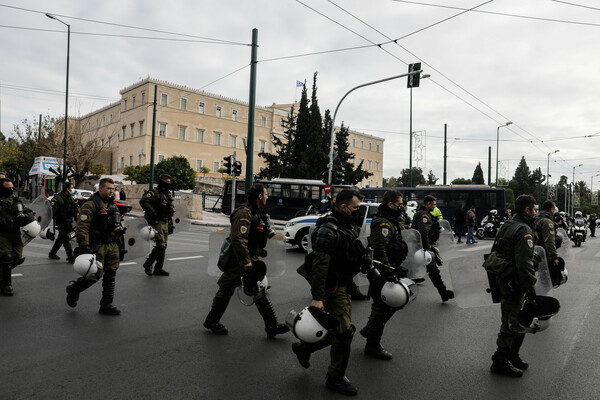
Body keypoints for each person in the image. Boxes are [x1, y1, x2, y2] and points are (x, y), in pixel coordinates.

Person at [292, 189, 366, 396]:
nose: (358, 212)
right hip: (331, 288)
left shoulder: (346, 225)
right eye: (355, 208)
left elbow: (346, 256)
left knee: (341, 329)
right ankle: (335, 377)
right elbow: (319, 266)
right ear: (343, 207)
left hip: (342, 284)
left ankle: (305, 348)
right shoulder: (328, 230)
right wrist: (317, 298)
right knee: (343, 333)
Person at [203, 183, 289, 338]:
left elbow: (253, 236)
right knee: (227, 289)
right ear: (260, 196)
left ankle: (271, 325)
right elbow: (238, 238)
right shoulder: (244, 212)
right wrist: (246, 261)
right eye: (266, 194)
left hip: (249, 256)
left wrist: (259, 250)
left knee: (255, 289)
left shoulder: (256, 211)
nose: (268, 196)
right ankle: (212, 320)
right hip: (239, 259)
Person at [489, 195, 537, 378]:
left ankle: (512, 355)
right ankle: (499, 360)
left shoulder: (507, 224)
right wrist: (530, 289)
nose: (535, 212)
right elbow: (524, 262)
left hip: (504, 277)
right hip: (514, 280)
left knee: (514, 318)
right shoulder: (524, 229)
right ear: (527, 210)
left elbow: (495, 251)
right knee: (511, 320)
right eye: (534, 209)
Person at [360, 190, 408, 360]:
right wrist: (389, 271)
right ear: (390, 204)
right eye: (399, 204)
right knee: (382, 308)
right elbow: (380, 249)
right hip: (383, 271)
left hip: (389, 268)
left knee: (392, 304)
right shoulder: (383, 223)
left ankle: (369, 330)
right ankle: (372, 345)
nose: (401, 207)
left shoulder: (391, 220)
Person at [66, 178, 124, 315]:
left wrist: (120, 245)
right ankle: (74, 289)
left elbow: (118, 225)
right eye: (108, 188)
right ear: (101, 188)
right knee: (94, 275)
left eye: (112, 188)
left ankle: (106, 304)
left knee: (111, 274)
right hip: (97, 245)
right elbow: (82, 227)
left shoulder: (112, 205)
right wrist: (84, 246)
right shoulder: (90, 205)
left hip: (111, 244)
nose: (111, 191)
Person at [412, 195, 454, 302]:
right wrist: (427, 248)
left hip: (419, 248)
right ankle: (443, 293)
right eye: (434, 204)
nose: (435, 207)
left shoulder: (422, 213)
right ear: (428, 203)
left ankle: (443, 293)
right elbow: (423, 232)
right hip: (424, 248)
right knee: (433, 271)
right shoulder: (424, 215)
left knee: (428, 270)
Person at [139, 174, 175, 276]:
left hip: (165, 221)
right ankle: (148, 263)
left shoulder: (167, 194)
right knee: (161, 245)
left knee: (164, 245)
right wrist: (153, 212)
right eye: (166, 182)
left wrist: (170, 222)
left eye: (169, 182)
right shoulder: (154, 192)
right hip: (156, 221)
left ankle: (158, 268)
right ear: (162, 181)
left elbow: (169, 209)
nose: (168, 184)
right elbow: (143, 201)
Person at [0, 178, 29, 296]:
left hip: (15, 233)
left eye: (12, 188)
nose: (11, 190)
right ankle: (6, 284)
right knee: (6, 256)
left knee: (17, 257)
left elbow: (27, 212)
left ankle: (2, 273)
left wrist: (29, 216)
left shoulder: (16, 200)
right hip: (2, 233)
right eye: (8, 188)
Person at [48, 182, 78, 263]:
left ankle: (52, 253)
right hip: (61, 221)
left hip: (68, 221)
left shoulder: (70, 197)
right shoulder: (57, 198)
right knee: (66, 238)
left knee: (61, 238)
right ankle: (70, 256)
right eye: (72, 188)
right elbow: (52, 212)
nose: (73, 189)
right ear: (67, 189)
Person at [533, 200, 561, 272]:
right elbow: (549, 241)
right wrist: (554, 257)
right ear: (552, 209)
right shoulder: (547, 222)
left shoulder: (535, 219)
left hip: (534, 253)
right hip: (544, 255)